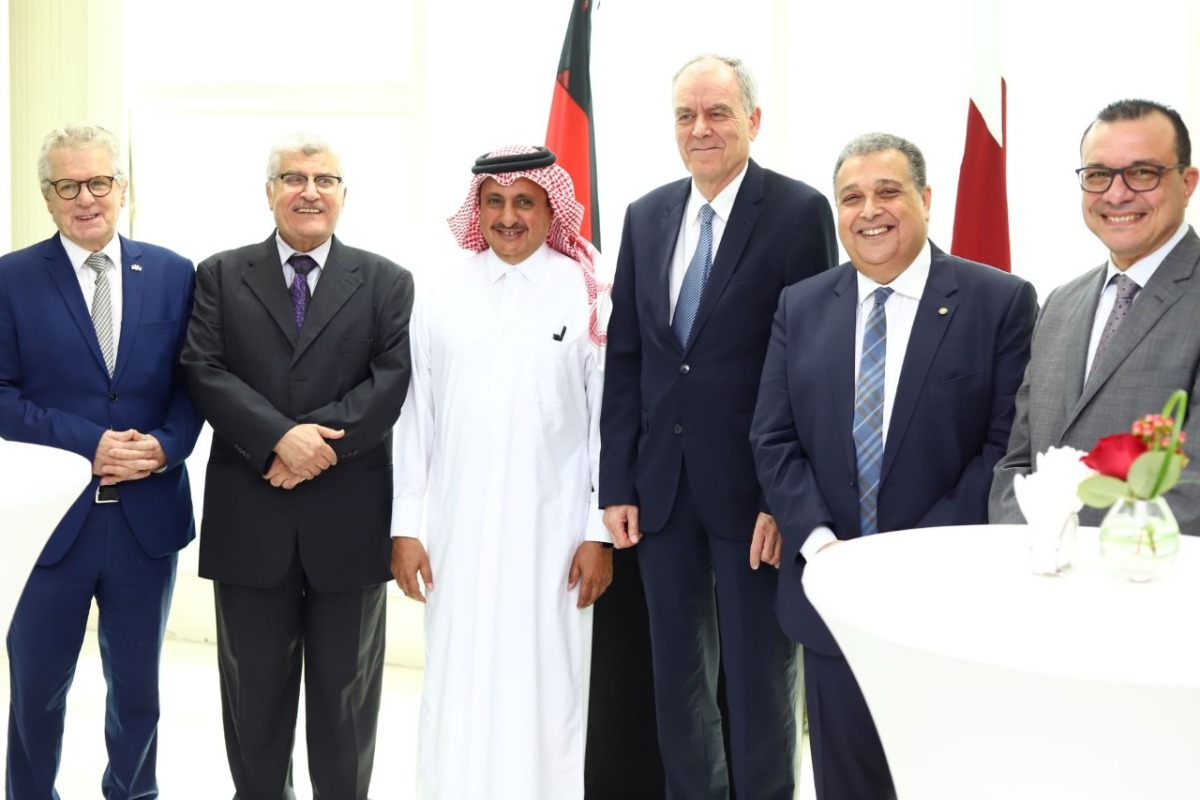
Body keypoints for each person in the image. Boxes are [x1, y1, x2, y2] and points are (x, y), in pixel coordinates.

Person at [750, 132, 1037, 799]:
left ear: (926, 199)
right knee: (847, 784)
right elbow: (773, 436)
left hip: (946, 598)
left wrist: (910, 556)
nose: (869, 210)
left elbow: (1004, 449)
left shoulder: (1000, 302)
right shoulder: (801, 305)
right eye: (851, 196)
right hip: (832, 599)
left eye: (888, 191)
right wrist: (822, 549)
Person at [599, 54, 837, 799]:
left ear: (752, 121)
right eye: (685, 115)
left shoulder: (798, 213)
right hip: (662, 493)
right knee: (677, 678)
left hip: (753, 495)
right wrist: (618, 483)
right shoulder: (646, 215)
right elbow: (631, 358)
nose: (700, 129)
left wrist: (784, 499)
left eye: (717, 113)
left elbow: (809, 362)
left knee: (763, 680)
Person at [181, 133, 414, 799]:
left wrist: (318, 450)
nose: (309, 191)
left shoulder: (387, 282)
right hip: (250, 518)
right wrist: (282, 438)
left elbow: (390, 385)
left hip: (349, 526)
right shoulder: (220, 275)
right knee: (252, 701)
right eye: (293, 178)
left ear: (344, 195)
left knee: (346, 702)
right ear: (269, 192)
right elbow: (203, 370)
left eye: (325, 180)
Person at [391, 145, 612, 799]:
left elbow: (608, 425)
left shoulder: (588, 293)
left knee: (549, 683)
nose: (508, 216)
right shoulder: (440, 296)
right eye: (494, 201)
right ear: (476, 209)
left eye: (524, 201)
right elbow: (415, 421)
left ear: (550, 209)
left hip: (556, 538)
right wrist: (408, 527)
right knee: (460, 679)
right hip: (460, 535)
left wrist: (597, 533)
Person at [0, 124, 202, 799]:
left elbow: (195, 385)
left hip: (146, 525)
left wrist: (166, 446)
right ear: (48, 197)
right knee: (35, 694)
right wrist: (89, 443)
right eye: (67, 186)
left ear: (124, 188)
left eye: (98, 182)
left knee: (138, 694)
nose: (85, 198)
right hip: (48, 530)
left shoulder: (174, 273)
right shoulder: (11, 278)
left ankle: (133, 794)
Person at [991, 99, 1200, 533]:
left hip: (1152, 579)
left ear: (1188, 182)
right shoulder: (1059, 304)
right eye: (1099, 175)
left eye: (1143, 172)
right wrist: (1033, 544)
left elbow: (1192, 489)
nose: (1117, 193)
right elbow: (1018, 461)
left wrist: (1089, 558)